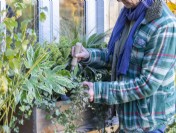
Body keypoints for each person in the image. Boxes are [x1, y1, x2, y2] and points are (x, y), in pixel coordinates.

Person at [72, 0, 176, 132]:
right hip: (128, 118)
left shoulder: (164, 25)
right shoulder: (129, 14)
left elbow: (147, 84)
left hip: (147, 123)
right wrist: (89, 55)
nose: (118, 0)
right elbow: (117, 57)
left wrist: (98, 91)